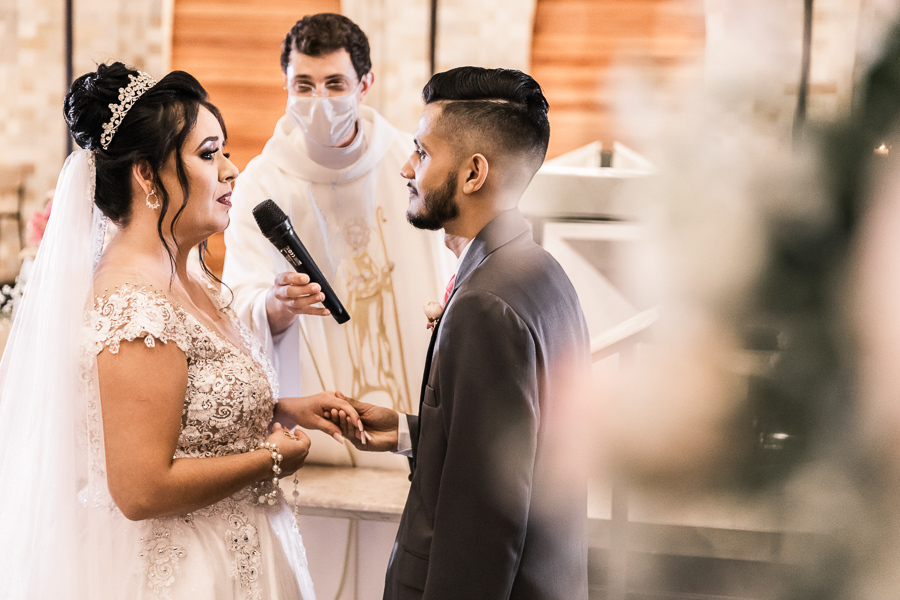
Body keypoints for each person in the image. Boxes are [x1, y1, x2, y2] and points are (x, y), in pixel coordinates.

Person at [0, 62, 363, 599]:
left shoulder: (187, 275)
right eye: (209, 153)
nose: (232, 171)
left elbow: (185, 406)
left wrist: (280, 408)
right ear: (147, 174)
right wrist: (274, 458)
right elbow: (142, 489)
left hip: (249, 553)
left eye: (225, 151)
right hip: (188, 573)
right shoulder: (132, 306)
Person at [332, 67, 592, 599]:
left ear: (474, 173)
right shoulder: (541, 271)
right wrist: (412, 431)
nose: (407, 167)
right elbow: (515, 449)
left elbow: (484, 525)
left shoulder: (485, 305)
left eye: (423, 153)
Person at [222, 14, 450, 466]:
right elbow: (238, 302)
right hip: (315, 417)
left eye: (335, 84)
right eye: (303, 86)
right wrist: (277, 305)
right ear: (285, 84)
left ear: (365, 84)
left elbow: (455, 261)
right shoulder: (260, 184)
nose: (319, 100)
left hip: (407, 390)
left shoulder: (411, 163)